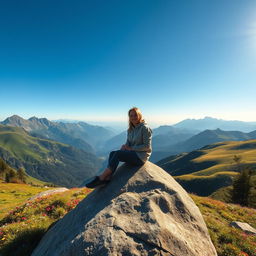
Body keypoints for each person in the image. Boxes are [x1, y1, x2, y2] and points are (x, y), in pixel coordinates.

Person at [86, 107, 152, 188]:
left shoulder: (145, 128)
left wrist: (131, 149)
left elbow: (147, 147)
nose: (133, 117)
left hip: (141, 157)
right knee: (113, 153)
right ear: (129, 118)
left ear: (140, 116)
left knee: (117, 154)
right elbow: (128, 143)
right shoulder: (130, 129)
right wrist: (124, 147)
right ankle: (108, 177)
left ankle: (101, 178)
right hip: (133, 153)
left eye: (135, 115)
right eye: (131, 116)